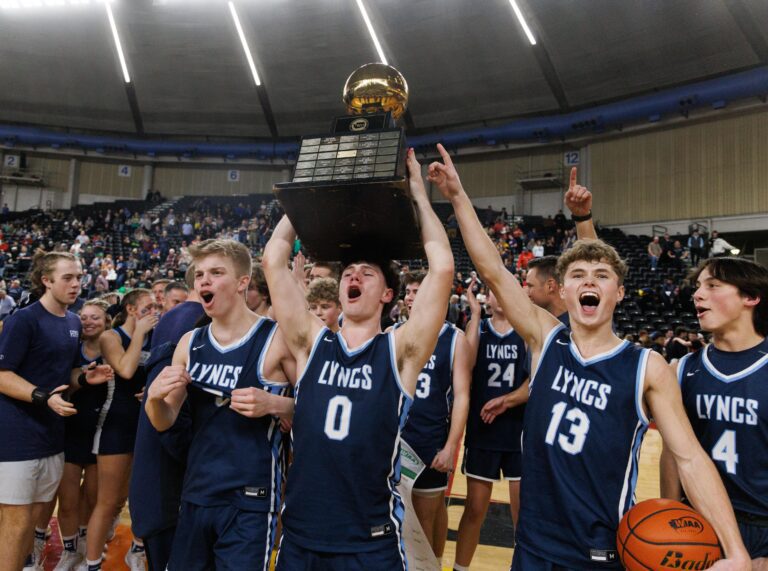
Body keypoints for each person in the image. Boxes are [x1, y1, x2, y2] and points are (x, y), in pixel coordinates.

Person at [435, 147, 750, 570]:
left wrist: (737, 552)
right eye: (578, 276)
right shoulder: (546, 340)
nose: (590, 281)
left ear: (619, 293)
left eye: (602, 277)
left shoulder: (646, 366)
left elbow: (691, 459)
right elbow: (492, 268)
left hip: (598, 555)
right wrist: (458, 197)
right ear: (563, 292)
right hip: (531, 548)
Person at [263, 147, 453, 570]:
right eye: (349, 271)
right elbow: (273, 259)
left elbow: (441, 269)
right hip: (301, 536)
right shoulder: (313, 343)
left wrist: (419, 194)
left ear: (388, 295)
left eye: (368, 273)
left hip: (370, 542)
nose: (353, 276)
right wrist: (307, 196)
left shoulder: (400, 351)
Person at [145, 239, 295, 571]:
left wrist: (277, 404)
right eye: (199, 275)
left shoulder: (277, 338)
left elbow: (317, 413)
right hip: (197, 491)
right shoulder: (190, 342)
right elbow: (164, 421)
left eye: (216, 272)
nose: (204, 282)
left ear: (243, 282)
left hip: (251, 499)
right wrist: (154, 400)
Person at [0, 251, 112, 571]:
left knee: (35, 518)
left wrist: (85, 378)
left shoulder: (74, 321)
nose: (76, 284)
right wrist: (41, 397)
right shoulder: (24, 319)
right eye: (68, 278)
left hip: (52, 435)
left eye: (79, 277)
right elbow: (2, 374)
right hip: (17, 436)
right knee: (16, 520)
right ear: (46, 281)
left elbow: (69, 374)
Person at [661, 257, 768, 566]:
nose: (697, 294)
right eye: (697, 287)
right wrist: (670, 517)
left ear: (750, 297)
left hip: (762, 525)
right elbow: (672, 453)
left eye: (712, 286)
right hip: (700, 522)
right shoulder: (683, 369)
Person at [129, 266, 204, 571]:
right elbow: (171, 415)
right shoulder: (192, 320)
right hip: (169, 490)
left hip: (160, 484)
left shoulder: (178, 315)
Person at [80, 289, 158, 571]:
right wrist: (139, 333)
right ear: (131, 309)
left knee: (139, 495)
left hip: (147, 424)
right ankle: (91, 564)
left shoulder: (157, 336)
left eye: (156, 307)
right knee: (108, 501)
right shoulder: (110, 337)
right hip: (115, 422)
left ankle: (136, 550)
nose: (154, 311)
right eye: (148, 307)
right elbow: (125, 370)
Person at [453, 280, 527, 571]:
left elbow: (536, 379)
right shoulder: (480, 329)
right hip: (483, 431)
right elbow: (467, 364)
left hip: (518, 432)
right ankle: (460, 568)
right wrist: (473, 316)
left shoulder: (525, 330)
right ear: (486, 297)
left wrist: (508, 401)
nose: (500, 295)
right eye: (493, 290)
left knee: (523, 514)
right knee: (474, 509)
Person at [398, 271, 470, 560]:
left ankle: (430, 565)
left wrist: (452, 446)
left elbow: (462, 395)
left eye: (417, 291)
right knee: (401, 515)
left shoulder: (454, 339)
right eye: (408, 292)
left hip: (430, 440)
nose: (410, 297)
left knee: (424, 517)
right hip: (399, 437)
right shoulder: (396, 333)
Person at [54, 300, 112, 571]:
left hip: (102, 433)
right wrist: (82, 379)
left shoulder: (115, 353)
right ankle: (70, 551)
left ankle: (89, 545)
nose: (89, 322)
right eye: (84, 317)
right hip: (69, 430)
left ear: (106, 322)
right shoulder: (70, 351)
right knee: (67, 500)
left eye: (95, 318)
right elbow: (62, 390)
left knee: (93, 498)